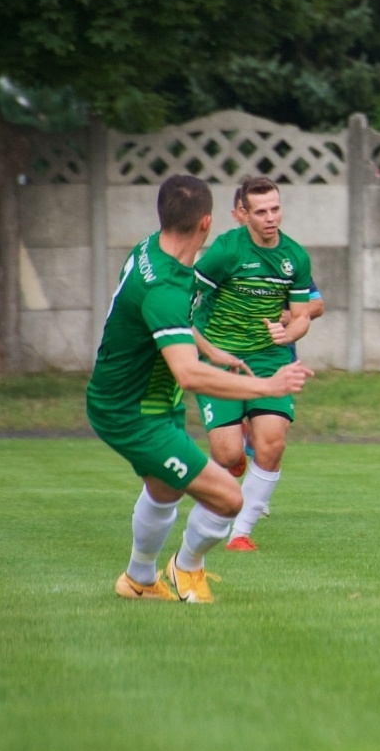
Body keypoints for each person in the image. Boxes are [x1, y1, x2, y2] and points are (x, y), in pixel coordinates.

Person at [89, 175, 312, 604]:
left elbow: (177, 328)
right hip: (134, 413)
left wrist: (212, 348)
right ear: (208, 222)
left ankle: (138, 580)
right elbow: (189, 374)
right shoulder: (166, 287)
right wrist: (266, 383)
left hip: (151, 401)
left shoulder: (152, 249)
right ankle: (186, 568)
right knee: (228, 498)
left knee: (165, 489)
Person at [191, 175, 317, 552]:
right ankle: (233, 459)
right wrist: (207, 349)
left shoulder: (294, 257)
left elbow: (303, 314)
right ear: (243, 214)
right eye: (261, 211)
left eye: (275, 209)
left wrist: (290, 334)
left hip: (268, 358)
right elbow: (181, 301)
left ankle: (241, 533)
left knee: (273, 444)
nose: (270, 218)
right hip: (219, 354)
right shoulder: (226, 252)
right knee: (228, 455)